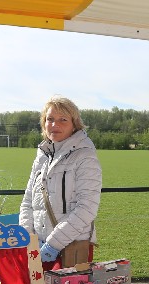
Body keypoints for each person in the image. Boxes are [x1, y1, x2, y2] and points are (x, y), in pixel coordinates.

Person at [19, 96, 102, 269]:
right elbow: (28, 200)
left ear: (74, 125)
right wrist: (28, 238)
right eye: (50, 119)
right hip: (37, 249)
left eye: (63, 120)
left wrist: (53, 244)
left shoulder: (84, 155)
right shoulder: (43, 155)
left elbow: (87, 208)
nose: (54, 125)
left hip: (71, 249)